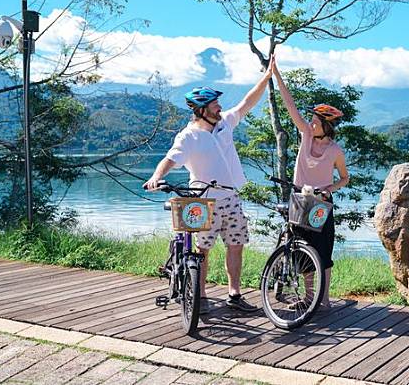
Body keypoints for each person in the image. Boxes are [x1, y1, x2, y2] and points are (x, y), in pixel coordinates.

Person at [144, 56, 275, 313]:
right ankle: (200, 297)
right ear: (201, 110)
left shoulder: (225, 122)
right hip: (203, 200)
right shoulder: (188, 136)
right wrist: (156, 177)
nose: (219, 108)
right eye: (215, 105)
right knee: (202, 249)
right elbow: (169, 159)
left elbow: (247, 102)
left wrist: (266, 77)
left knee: (236, 245)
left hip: (231, 198)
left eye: (218, 104)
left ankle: (234, 295)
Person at [271, 58, 350, 308]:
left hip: (321, 203)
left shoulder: (336, 151)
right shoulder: (305, 135)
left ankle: (323, 300)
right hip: (300, 200)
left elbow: (345, 178)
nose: (311, 123)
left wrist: (329, 188)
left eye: (316, 121)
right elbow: (290, 106)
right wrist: (275, 74)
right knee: (301, 250)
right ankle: (307, 298)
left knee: (323, 252)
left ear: (326, 126)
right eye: (312, 120)